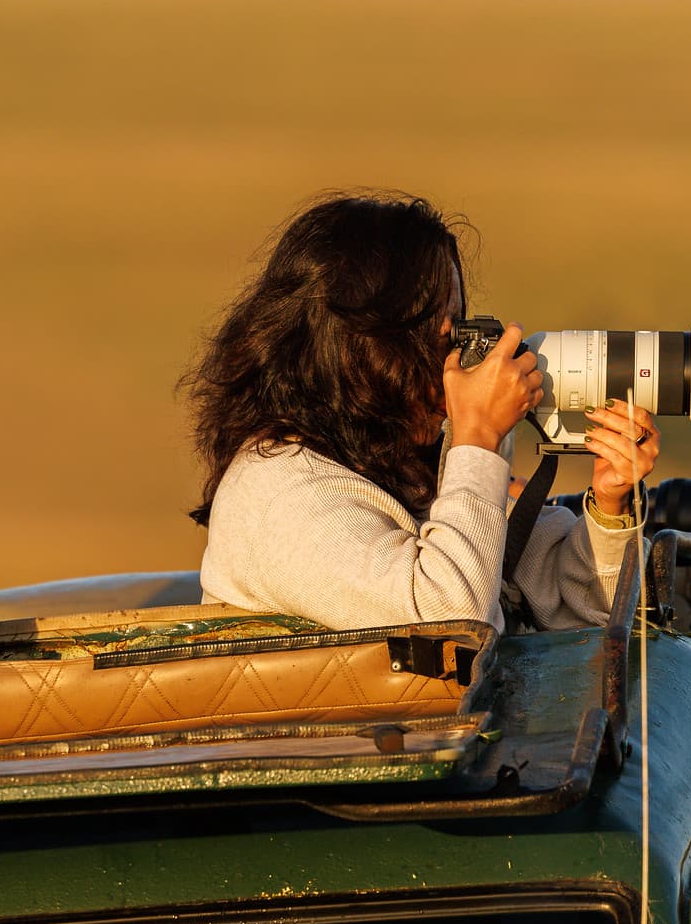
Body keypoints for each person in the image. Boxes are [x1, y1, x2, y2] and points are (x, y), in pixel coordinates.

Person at [186, 194, 657, 633]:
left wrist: (610, 507)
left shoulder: (393, 463)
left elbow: (579, 609)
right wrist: (477, 438)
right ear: (370, 346)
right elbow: (452, 623)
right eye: (443, 331)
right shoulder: (280, 495)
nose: (460, 353)